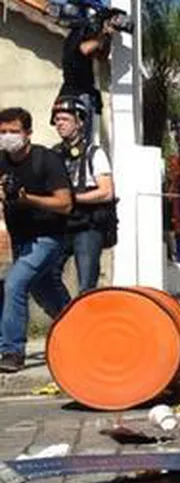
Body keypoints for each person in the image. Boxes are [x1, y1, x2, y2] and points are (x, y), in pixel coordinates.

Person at [0, 107, 73, 373]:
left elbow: (65, 204)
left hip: (48, 238)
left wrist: (27, 198)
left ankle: (11, 351)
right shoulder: (1, 160)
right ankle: (80, 331)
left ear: (27, 133)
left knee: (14, 284)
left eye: (14, 131)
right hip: (21, 239)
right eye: (3, 132)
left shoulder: (47, 160)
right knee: (46, 293)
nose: (8, 137)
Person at [49, 95, 115, 293]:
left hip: (87, 225)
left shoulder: (95, 153)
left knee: (87, 284)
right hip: (61, 225)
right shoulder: (53, 154)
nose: (60, 124)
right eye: (57, 120)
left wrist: (74, 198)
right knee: (46, 274)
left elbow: (106, 192)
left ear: (79, 122)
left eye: (65, 119)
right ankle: (65, 314)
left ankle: (86, 320)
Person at [59, 9, 114, 145]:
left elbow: (102, 56)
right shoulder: (77, 34)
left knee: (85, 138)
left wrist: (107, 37)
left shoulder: (87, 38)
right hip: (76, 94)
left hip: (84, 92)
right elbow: (83, 49)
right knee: (76, 137)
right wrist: (103, 34)